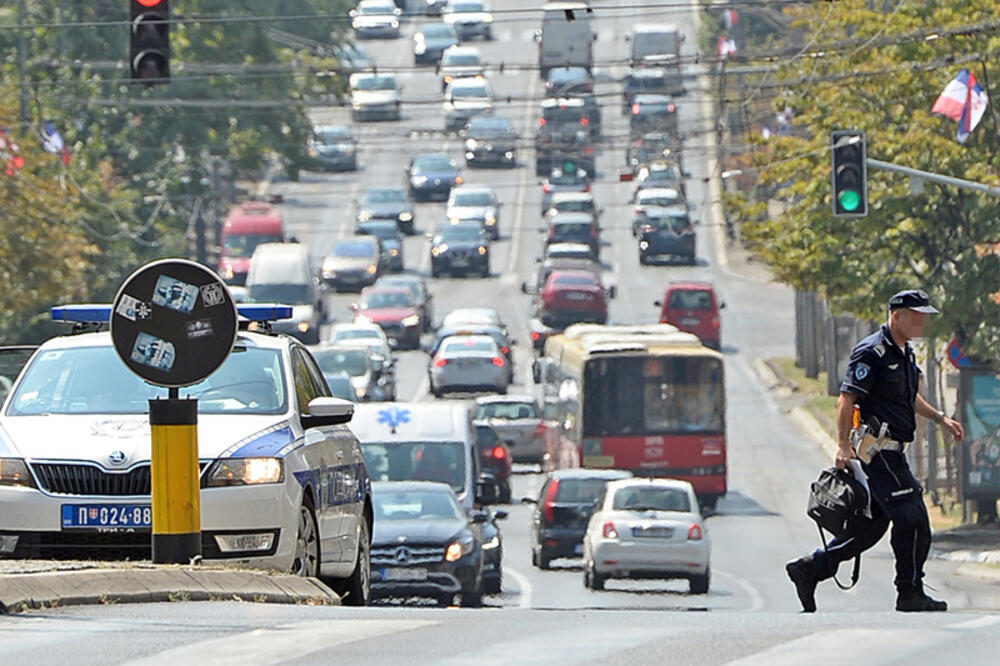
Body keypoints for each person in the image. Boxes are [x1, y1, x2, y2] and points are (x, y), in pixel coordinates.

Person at [785, 289, 965, 613]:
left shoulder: (903, 353)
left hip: (893, 451)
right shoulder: (872, 352)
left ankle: (809, 569)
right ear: (898, 316)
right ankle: (909, 592)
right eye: (919, 317)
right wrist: (841, 446)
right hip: (878, 452)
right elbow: (846, 399)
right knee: (914, 521)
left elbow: (907, 398)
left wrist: (940, 418)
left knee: (870, 529)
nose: (924, 324)